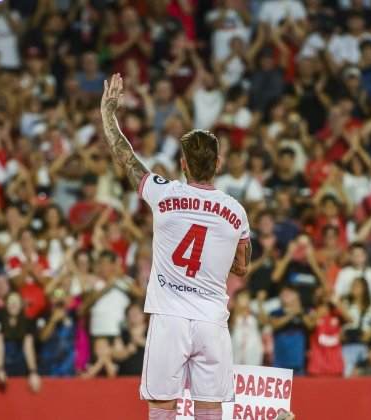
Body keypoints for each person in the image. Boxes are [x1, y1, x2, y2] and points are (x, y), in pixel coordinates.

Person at [100, 74, 251, 420]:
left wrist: (109, 115)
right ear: (217, 164)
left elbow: (126, 158)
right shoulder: (236, 212)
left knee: (163, 407)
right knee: (209, 410)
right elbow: (241, 267)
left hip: (170, 317)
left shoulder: (163, 193)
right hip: (212, 318)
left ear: (182, 164)